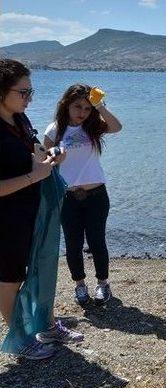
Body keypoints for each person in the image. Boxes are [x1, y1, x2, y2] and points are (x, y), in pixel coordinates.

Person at [0, 58, 83, 359]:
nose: (29, 98)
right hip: (6, 220)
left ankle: (45, 325)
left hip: (32, 211)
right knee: (10, 278)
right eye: (23, 92)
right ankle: (19, 340)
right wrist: (35, 175)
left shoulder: (19, 120)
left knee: (41, 267)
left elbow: (35, 153)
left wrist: (51, 156)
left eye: (30, 91)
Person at [43, 84, 123, 306]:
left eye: (87, 108)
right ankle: (79, 285)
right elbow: (43, 162)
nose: (82, 112)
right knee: (73, 244)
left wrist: (100, 106)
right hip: (68, 197)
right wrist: (53, 156)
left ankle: (103, 284)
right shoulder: (54, 130)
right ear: (66, 105)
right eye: (77, 106)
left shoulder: (93, 127)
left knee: (97, 241)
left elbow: (117, 127)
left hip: (97, 195)